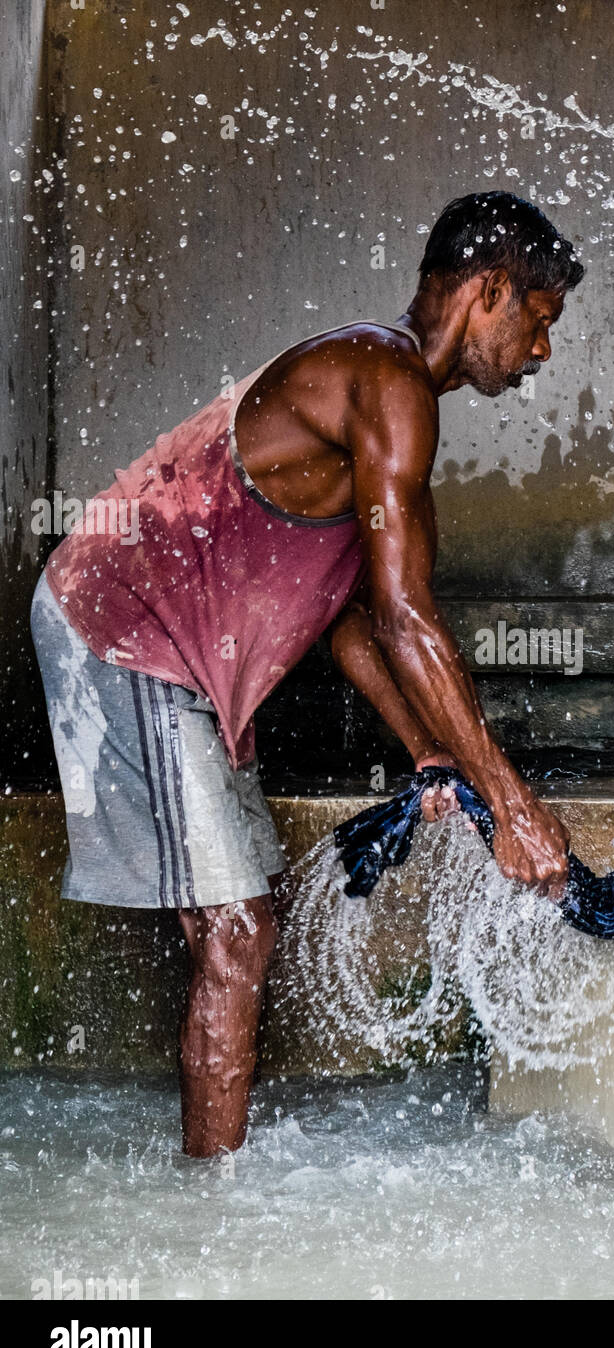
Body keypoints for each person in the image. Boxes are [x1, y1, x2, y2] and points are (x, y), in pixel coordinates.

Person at [31, 190, 585, 1157]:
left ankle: (217, 1171)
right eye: (539, 320)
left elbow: (359, 628)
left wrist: (429, 753)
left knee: (247, 919)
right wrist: (513, 806)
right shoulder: (386, 377)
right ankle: (211, 1206)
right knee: (236, 929)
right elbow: (409, 622)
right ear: (490, 291)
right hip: (117, 625)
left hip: (186, 656)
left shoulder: (394, 407)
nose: (541, 350)